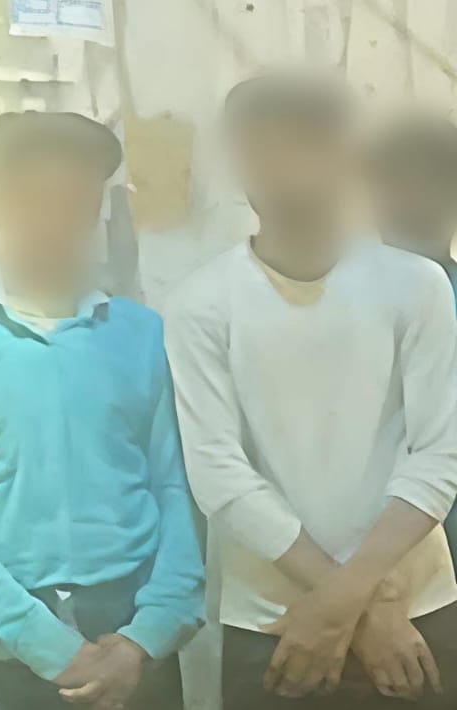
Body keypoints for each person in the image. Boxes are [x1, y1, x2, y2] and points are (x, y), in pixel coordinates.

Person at [0, 111, 205, 710]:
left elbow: (176, 493)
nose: (54, 221)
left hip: (132, 640)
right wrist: (52, 648)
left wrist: (147, 636)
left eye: (75, 203)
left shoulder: (140, 334)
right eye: (34, 198)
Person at [166, 73, 457, 710]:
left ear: (345, 160)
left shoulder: (419, 286)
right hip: (275, 623)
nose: (290, 173)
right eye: (265, 153)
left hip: (415, 614)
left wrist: (342, 600)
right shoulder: (200, 305)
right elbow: (219, 476)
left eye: (308, 148)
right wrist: (357, 606)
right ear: (241, 166)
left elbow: (440, 457)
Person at [367, 111, 457, 576]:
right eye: (398, 182)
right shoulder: (338, 303)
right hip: (361, 555)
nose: (414, 200)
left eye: (433, 181)